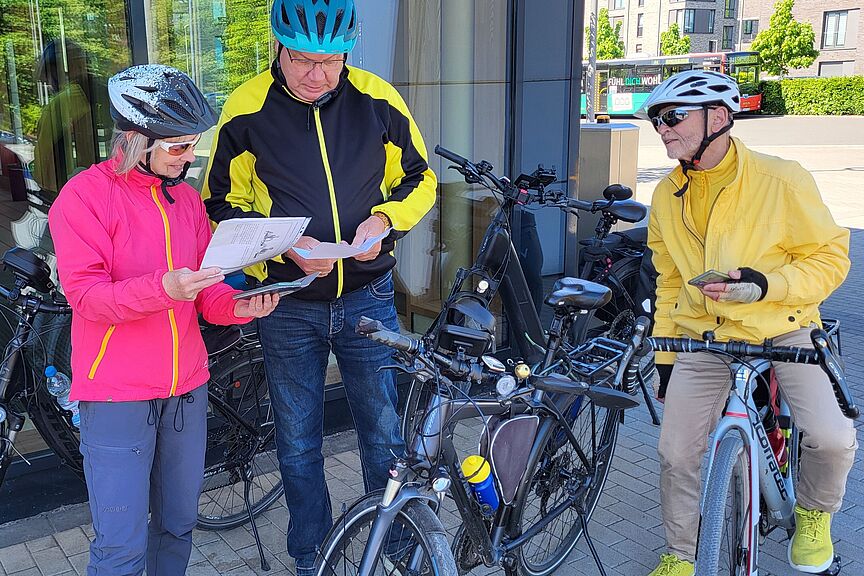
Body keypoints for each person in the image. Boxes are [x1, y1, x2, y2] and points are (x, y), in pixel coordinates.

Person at [201, 1, 437, 573]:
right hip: (288, 302)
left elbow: (420, 177)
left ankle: (399, 553)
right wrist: (282, 246)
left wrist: (386, 222)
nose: (318, 75)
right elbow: (218, 203)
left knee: (384, 435)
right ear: (278, 47)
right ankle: (311, 555)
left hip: (369, 297)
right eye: (305, 61)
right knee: (299, 442)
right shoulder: (247, 107)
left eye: (332, 61)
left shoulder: (378, 98)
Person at [48, 64, 279, 576]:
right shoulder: (83, 198)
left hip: (186, 391)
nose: (189, 157)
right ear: (134, 141)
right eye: (178, 147)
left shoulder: (188, 201)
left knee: (177, 525)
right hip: (116, 396)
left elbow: (207, 291)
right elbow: (87, 296)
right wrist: (163, 289)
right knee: (120, 547)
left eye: (192, 145)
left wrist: (239, 307)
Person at [638, 70, 857, 576]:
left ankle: (813, 513)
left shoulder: (782, 179)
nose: (663, 129)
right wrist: (667, 360)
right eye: (656, 122)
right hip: (703, 337)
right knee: (675, 453)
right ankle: (680, 553)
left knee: (831, 437)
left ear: (719, 117)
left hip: (785, 326)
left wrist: (766, 284)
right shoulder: (666, 196)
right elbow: (668, 283)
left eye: (673, 117)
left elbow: (831, 257)